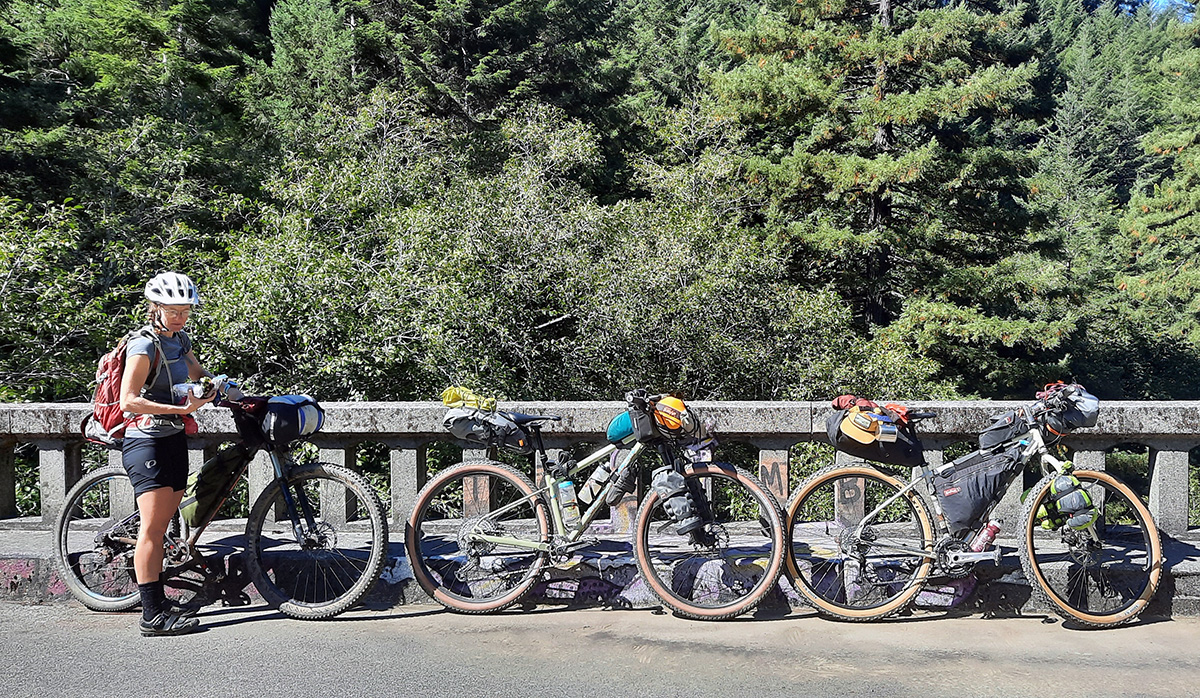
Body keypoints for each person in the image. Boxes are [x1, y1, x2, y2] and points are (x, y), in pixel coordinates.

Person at [119, 272, 216, 636]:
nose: (179, 317)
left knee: (161, 527)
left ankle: (159, 602)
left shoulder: (179, 339)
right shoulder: (143, 345)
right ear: (155, 307)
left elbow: (197, 372)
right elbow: (129, 400)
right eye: (173, 310)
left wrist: (220, 387)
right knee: (153, 530)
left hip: (173, 438)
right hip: (147, 441)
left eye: (185, 311)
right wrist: (180, 410)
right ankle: (151, 616)